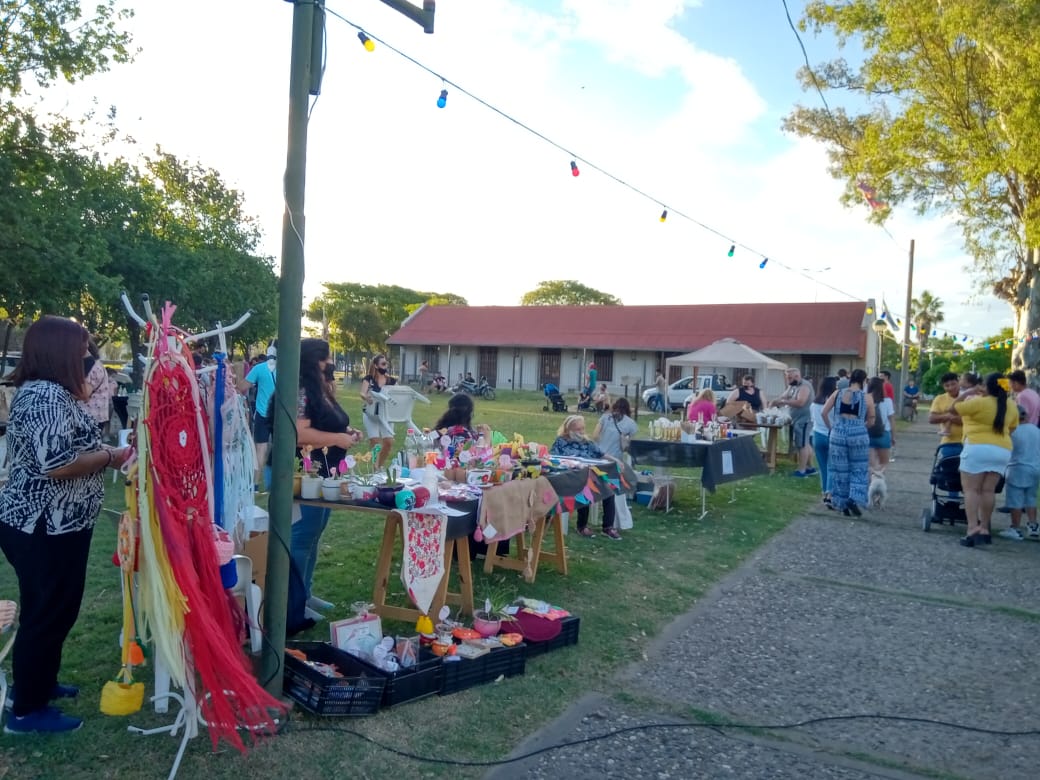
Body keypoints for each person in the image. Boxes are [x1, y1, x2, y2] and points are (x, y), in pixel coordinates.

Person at [0, 316, 130, 734]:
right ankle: (26, 710)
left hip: (61, 525)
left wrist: (103, 449)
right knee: (46, 612)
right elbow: (60, 465)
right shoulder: (44, 398)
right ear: (59, 352)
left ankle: (39, 682)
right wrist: (110, 457)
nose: (88, 358)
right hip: (41, 526)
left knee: (57, 609)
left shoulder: (55, 394)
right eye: (82, 350)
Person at [289, 338, 362, 634]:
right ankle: (292, 601)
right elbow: (299, 433)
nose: (330, 362)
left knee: (314, 535)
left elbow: (329, 422)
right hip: (306, 473)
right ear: (313, 360)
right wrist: (336, 440)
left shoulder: (321, 388)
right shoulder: (302, 390)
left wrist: (346, 431)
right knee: (302, 537)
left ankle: (305, 592)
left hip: (326, 474)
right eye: (326, 358)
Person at [951, 372, 1018, 547]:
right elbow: (1012, 428)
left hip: (977, 447)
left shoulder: (979, 402)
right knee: (988, 491)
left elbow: (954, 408)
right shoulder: (1011, 405)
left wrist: (968, 392)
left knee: (972, 490)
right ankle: (986, 528)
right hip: (1002, 449)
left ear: (986, 386)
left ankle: (973, 528)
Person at [551, 415, 620, 540]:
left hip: (590, 474)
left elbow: (602, 454)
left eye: (583, 428)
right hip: (570, 477)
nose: (581, 432)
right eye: (578, 429)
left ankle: (608, 527)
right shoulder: (560, 442)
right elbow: (553, 459)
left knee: (609, 488)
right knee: (585, 488)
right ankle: (581, 526)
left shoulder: (587, 442)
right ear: (568, 429)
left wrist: (616, 461)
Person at [822, 368, 874, 516]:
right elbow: (871, 419)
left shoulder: (837, 393)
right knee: (858, 468)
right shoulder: (867, 397)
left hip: (838, 434)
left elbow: (823, 412)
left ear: (850, 380)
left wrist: (832, 428)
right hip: (858, 435)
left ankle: (842, 504)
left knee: (840, 470)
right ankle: (854, 498)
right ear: (864, 381)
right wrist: (862, 427)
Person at [592, 397, 638, 530]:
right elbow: (630, 445)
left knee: (596, 487)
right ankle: (617, 522)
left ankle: (595, 517)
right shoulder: (630, 423)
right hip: (614, 460)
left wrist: (602, 444)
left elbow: (595, 435)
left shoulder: (605, 418)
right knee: (615, 492)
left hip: (598, 457)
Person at [999, 406, 1039, 540]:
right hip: (1035, 468)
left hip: (1017, 468)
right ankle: (1033, 526)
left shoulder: (1013, 432)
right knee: (1030, 498)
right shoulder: (1036, 430)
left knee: (1015, 500)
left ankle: (1015, 527)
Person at [771, 367, 815, 477]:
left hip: (804, 419)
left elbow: (800, 402)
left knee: (802, 445)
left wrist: (784, 402)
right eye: (787, 377)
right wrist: (775, 402)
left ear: (796, 376)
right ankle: (809, 467)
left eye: (789, 378)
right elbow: (783, 396)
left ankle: (801, 470)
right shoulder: (793, 385)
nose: (788, 380)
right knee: (805, 444)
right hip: (796, 419)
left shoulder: (804, 386)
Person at [245, 343, 277, 488]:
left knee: (260, 449)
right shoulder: (286, 369)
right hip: (280, 415)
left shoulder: (259, 368)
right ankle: (278, 482)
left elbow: (242, 386)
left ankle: (255, 484)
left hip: (262, 413)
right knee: (281, 449)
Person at [360, 354, 397, 470]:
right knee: (375, 442)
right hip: (371, 414)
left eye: (386, 363)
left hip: (386, 415)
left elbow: (398, 393)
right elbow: (362, 393)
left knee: (389, 442)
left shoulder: (391, 381)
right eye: (383, 364)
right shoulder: (369, 379)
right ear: (376, 366)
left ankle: (379, 466)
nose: (385, 366)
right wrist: (367, 398)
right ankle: (374, 467)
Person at [810, 376, 838, 508]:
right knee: (832, 466)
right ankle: (830, 493)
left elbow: (813, 420)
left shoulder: (814, 403)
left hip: (817, 435)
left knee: (822, 466)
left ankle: (823, 491)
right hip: (831, 434)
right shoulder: (834, 403)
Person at [79, 338, 113, 438]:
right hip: (90, 417)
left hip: (92, 417)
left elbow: (84, 394)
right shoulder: (94, 366)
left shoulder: (94, 367)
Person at [866, 376, 895, 475]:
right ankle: (880, 484)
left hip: (868, 434)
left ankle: (872, 485)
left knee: (871, 466)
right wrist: (893, 436)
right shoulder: (888, 401)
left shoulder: (865, 399)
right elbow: (891, 420)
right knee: (883, 464)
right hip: (884, 434)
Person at [929, 372, 964, 445]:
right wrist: (948, 416)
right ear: (943, 386)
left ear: (959, 383)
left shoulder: (968, 397)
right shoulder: (939, 399)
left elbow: (968, 420)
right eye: (947, 386)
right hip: (947, 443)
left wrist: (949, 417)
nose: (951, 388)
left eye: (953, 384)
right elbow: (932, 419)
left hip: (967, 443)